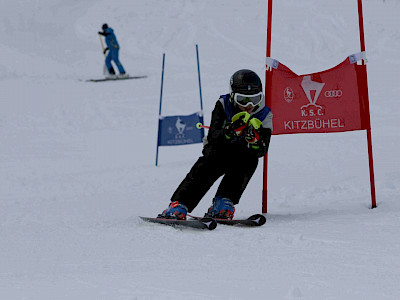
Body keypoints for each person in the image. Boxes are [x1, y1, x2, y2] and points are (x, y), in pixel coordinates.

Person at [159, 69, 273, 220]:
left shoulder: (264, 115)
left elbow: (262, 150)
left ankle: (223, 202)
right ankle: (180, 204)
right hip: (219, 149)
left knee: (250, 161)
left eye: (255, 99)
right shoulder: (223, 104)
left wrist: (255, 141)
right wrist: (229, 131)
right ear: (233, 96)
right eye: (243, 100)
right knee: (209, 164)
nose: (249, 105)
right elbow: (213, 136)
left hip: (242, 153)